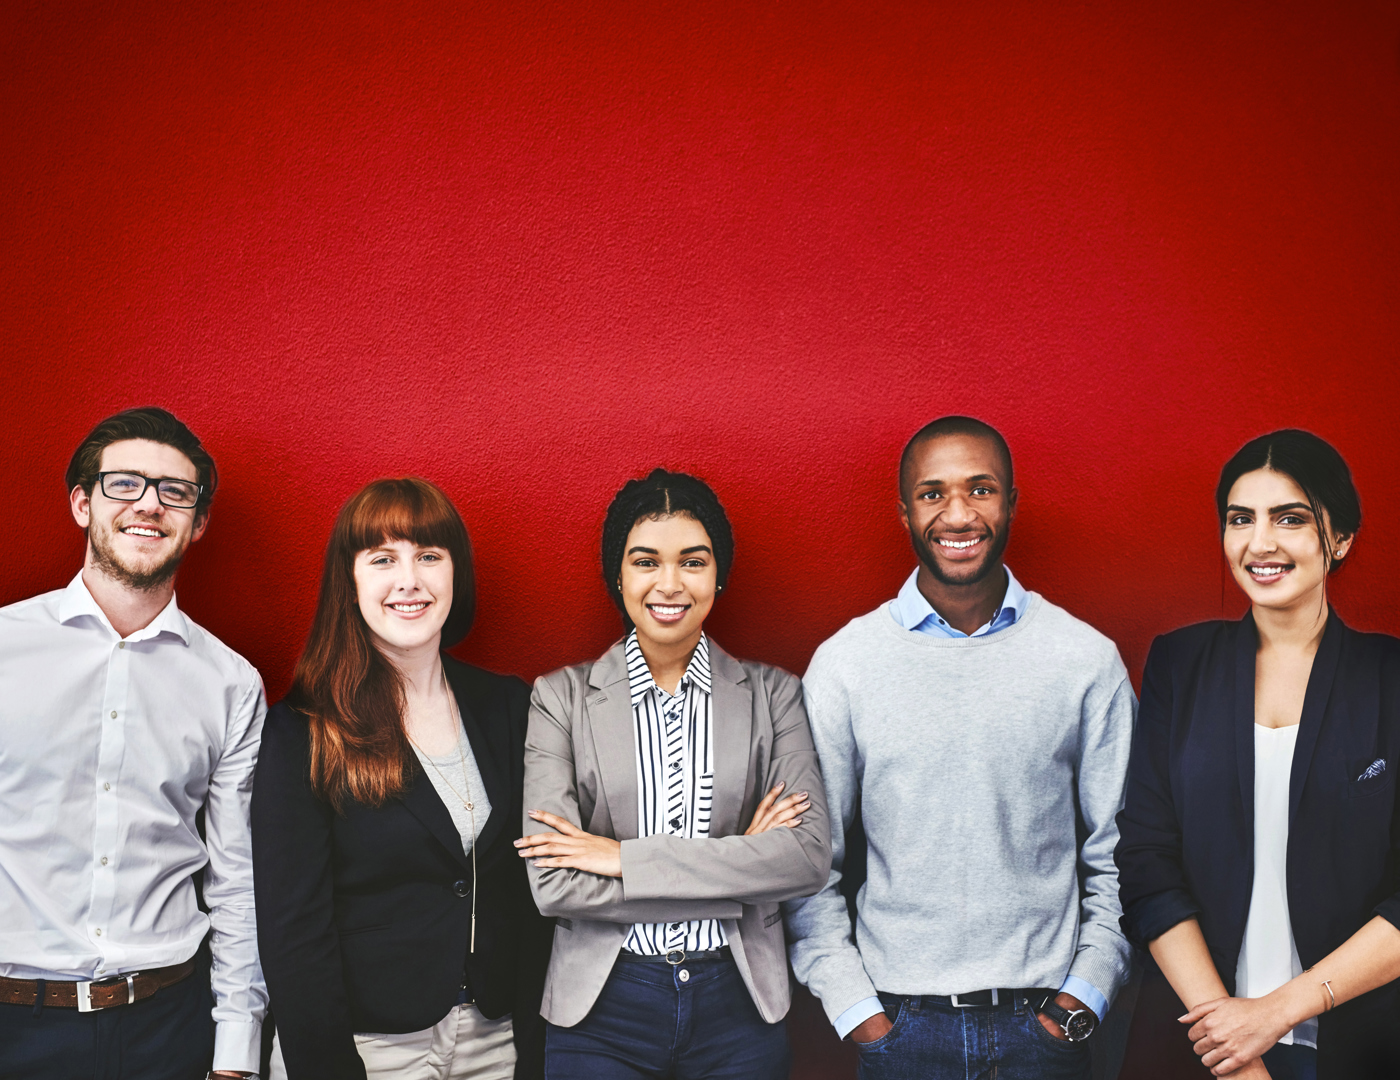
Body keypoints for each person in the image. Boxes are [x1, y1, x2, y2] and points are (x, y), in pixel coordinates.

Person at [783, 416, 1137, 1079]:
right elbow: (808, 865)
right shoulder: (846, 665)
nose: (958, 513)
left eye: (981, 489)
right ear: (904, 511)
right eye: (932, 493)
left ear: (1011, 503)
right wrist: (858, 1011)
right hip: (900, 1031)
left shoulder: (1084, 661)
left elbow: (1121, 850)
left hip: (1047, 1032)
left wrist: (1080, 998)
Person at [516, 467, 831, 1080]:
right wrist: (743, 864)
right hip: (601, 1012)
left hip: (738, 1004)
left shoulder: (774, 696)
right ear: (618, 573)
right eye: (645, 561)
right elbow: (555, 887)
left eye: (692, 561)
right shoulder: (560, 699)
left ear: (719, 574)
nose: (669, 583)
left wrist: (621, 858)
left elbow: (806, 858)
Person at [1115, 429, 1400, 1080]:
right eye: (1241, 519)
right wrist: (1232, 1041)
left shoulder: (1390, 678)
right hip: (1198, 1043)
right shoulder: (1180, 664)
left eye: (1291, 518)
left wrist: (1275, 1013)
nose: (1259, 543)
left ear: (1342, 538)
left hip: (1357, 1047)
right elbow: (1146, 860)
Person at [252, 478, 551, 1080]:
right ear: (351, 580)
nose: (409, 580)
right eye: (383, 559)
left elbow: (532, 893)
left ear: (454, 574)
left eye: (429, 557)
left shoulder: (509, 707)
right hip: (365, 1047)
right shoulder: (304, 731)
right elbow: (293, 934)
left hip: (495, 1039)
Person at [0, 407, 266, 1080]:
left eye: (175, 491)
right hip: (13, 1024)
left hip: (166, 1027)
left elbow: (235, 880)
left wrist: (235, 1050)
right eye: (124, 484)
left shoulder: (231, 683)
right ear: (82, 503)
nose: (150, 504)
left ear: (197, 521)